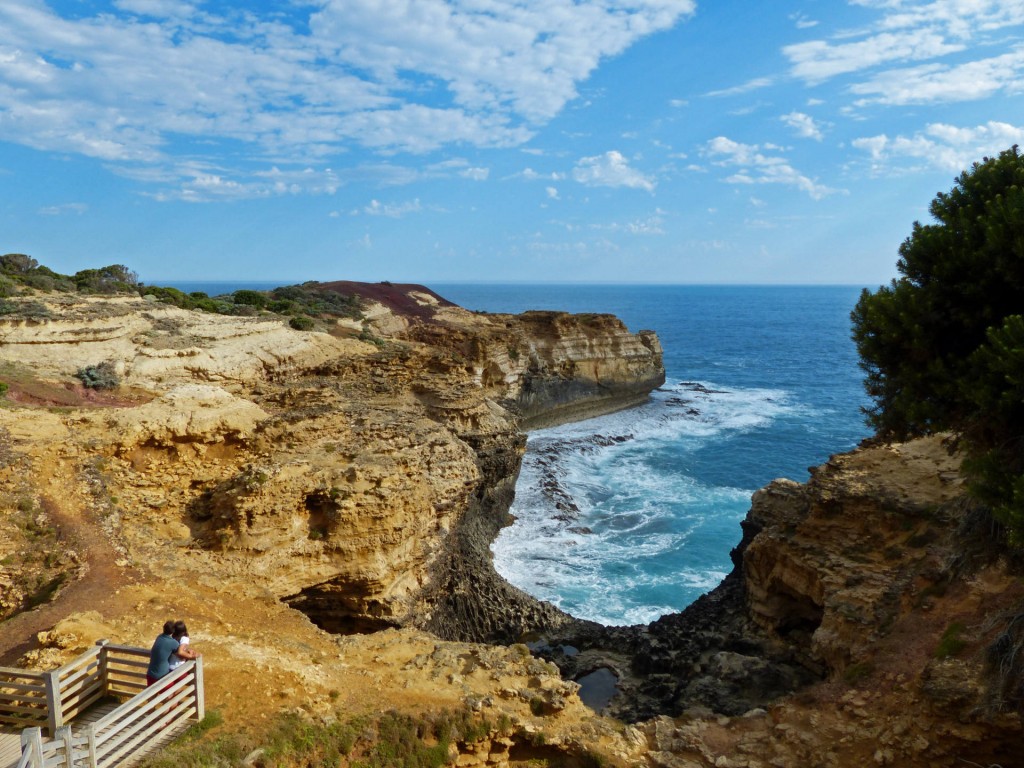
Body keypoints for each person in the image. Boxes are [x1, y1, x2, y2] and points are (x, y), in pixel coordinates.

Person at [146, 619, 197, 686]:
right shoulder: (173, 643)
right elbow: (181, 655)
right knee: (173, 690)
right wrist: (191, 655)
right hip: (162, 675)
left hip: (151, 673)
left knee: (153, 692)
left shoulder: (159, 637)